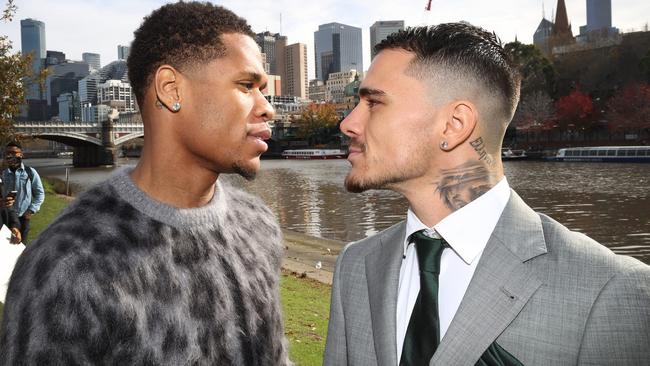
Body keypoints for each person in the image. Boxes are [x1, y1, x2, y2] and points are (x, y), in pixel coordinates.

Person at [324, 23, 650, 366]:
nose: (348, 123)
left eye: (373, 103)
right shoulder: (355, 266)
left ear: (454, 124)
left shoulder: (611, 289)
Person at [0, 2, 291, 365]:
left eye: (263, 89)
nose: (268, 108)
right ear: (171, 89)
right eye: (246, 85)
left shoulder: (259, 225)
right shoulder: (66, 265)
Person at [2, 141, 45, 243]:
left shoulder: (30, 172)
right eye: (7, 153)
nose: (10, 155)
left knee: (21, 248)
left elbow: (40, 194)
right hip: (6, 218)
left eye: (13, 152)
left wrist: (31, 210)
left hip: (23, 217)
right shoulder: (2, 174)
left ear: (21, 154)